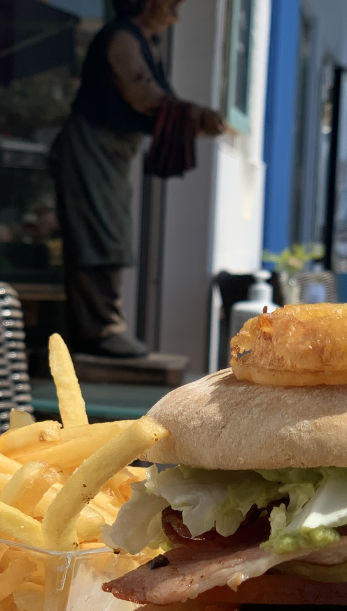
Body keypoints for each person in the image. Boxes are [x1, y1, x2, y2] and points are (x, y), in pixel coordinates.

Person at [50, 0, 226, 358]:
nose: (178, 6)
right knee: (99, 234)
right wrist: (195, 117)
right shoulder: (122, 40)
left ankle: (104, 323)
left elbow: (160, 98)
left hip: (112, 151)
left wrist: (192, 117)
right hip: (93, 145)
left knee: (110, 234)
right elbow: (145, 97)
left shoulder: (146, 42)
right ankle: (99, 329)